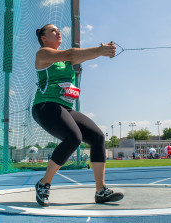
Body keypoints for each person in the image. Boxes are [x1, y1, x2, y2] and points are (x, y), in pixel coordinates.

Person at [33, 24, 123, 207]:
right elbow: (71, 54)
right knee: (73, 137)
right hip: (45, 106)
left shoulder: (68, 60)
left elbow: (78, 56)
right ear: (43, 38)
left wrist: (100, 52)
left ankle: (101, 191)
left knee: (97, 137)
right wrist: (99, 50)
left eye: (58, 30)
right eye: (53, 31)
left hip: (65, 108)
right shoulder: (43, 54)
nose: (58, 32)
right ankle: (44, 183)